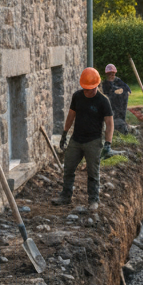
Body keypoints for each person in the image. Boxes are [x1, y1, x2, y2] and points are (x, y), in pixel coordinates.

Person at [55, 67, 114, 208]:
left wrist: (108, 143)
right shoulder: (77, 97)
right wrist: (64, 133)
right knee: (68, 168)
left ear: (97, 85)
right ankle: (65, 196)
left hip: (93, 141)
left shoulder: (103, 101)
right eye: (86, 89)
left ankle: (93, 200)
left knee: (93, 172)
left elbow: (109, 123)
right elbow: (71, 116)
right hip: (76, 139)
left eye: (91, 88)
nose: (88, 91)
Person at [101, 64, 132, 134]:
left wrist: (120, 91)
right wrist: (114, 92)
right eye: (109, 74)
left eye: (112, 74)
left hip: (120, 107)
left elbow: (128, 90)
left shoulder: (119, 81)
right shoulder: (105, 84)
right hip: (110, 106)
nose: (111, 76)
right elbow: (105, 94)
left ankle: (121, 123)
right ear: (107, 74)